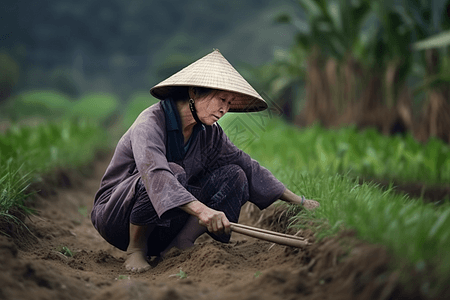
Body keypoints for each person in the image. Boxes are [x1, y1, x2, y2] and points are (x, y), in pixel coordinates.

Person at [91, 49, 319, 273]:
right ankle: (136, 249)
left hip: (166, 223)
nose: (224, 110)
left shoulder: (210, 132)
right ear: (194, 92)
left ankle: (180, 242)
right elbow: (157, 175)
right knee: (172, 171)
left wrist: (299, 201)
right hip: (118, 217)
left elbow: (247, 165)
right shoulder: (149, 123)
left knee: (235, 173)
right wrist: (202, 211)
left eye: (229, 103)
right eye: (221, 99)